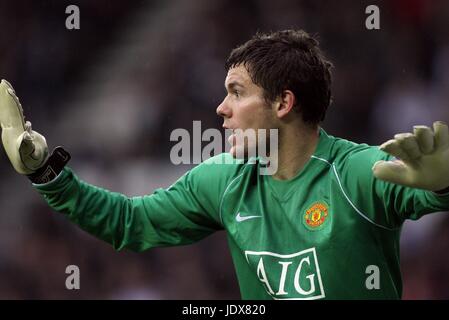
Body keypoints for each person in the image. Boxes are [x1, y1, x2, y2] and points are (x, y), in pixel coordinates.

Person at [1, 29, 449, 300]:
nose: (220, 109)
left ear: (283, 103)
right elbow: (129, 222)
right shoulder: (222, 181)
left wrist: (443, 186)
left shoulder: (355, 173)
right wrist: (46, 173)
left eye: (236, 92)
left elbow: (422, 187)